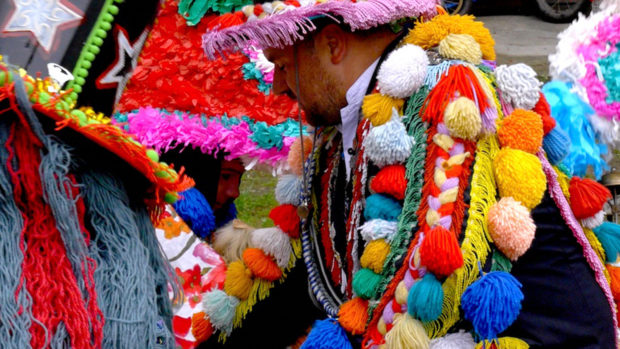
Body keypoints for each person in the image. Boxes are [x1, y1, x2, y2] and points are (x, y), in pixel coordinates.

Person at [200, 0, 620, 348]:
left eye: (282, 65)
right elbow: (305, 277)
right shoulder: (340, 128)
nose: (276, 86)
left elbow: (416, 294)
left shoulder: (449, 98)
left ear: (331, 45)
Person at [112, 0, 308, 347]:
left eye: (238, 179)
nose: (234, 193)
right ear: (188, 173)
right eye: (227, 176)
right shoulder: (149, 230)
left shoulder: (216, 240)